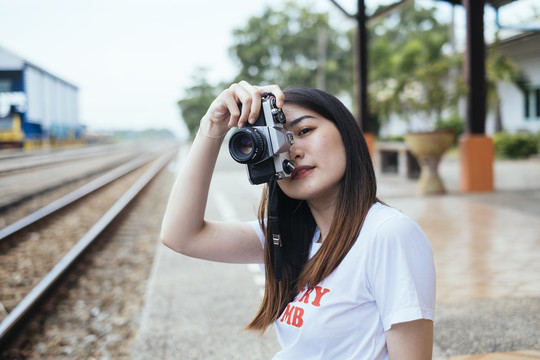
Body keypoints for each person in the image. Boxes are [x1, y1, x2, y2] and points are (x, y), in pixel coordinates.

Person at [160, 81, 436, 359]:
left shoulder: (387, 233)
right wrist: (212, 126)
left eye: (304, 131)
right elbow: (181, 236)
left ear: (346, 132)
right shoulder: (286, 238)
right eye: (277, 141)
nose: (292, 151)